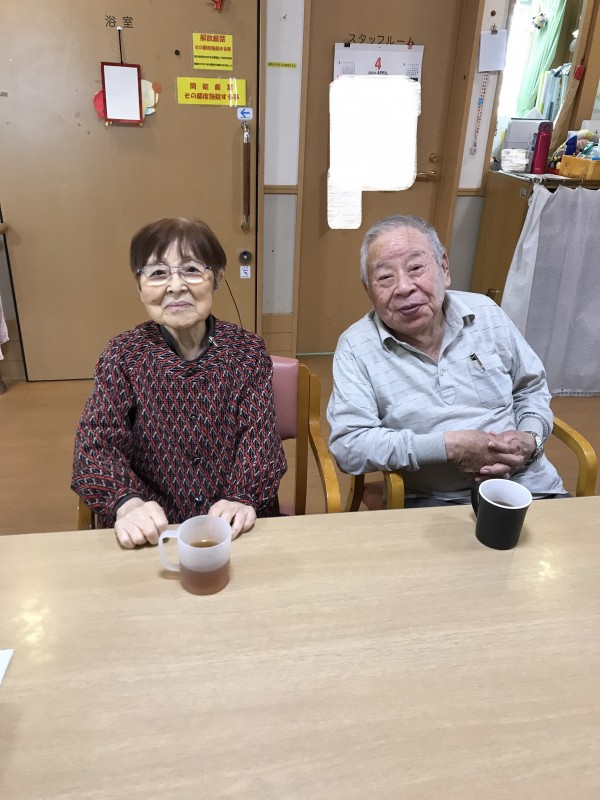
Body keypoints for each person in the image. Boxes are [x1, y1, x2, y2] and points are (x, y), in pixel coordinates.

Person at [72, 217, 287, 547]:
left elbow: (260, 439)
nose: (175, 287)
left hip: (231, 525)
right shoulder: (123, 354)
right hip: (155, 529)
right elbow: (95, 444)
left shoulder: (247, 350)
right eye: (158, 273)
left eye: (191, 270)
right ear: (139, 286)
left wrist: (242, 496)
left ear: (216, 279)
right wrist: (126, 502)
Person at [327, 214, 566, 507]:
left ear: (444, 268)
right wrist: (449, 446)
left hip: (530, 486)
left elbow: (530, 389)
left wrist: (530, 438)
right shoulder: (356, 346)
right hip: (432, 502)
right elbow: (349, 447)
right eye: (385, 277)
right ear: (369, 291)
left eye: (416, 268)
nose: (403, 287)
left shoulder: (486, 312)